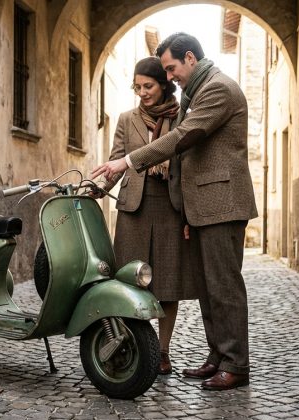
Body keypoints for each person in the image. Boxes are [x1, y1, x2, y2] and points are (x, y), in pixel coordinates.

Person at [90, 33, 258, 391]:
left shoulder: (218, 89)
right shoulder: (197, 92)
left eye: (171, 68)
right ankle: (217, 357)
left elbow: (184, 136)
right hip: (203, 206)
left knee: (224, 287)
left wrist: (129, 160)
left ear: (190, 59)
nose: (170, 77)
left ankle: (236, 365)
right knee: (210, 287)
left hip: (221, 203)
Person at [93, 57, 201, 376]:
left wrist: (187, 216)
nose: (142, 92)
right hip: (133, 209)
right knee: (129, 282)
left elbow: (188, 164)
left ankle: (163, 352)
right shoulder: (127, 119)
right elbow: (115, 163)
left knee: (167, 284)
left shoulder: (184, 117)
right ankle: (136, 344)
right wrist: (97, 188)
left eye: (148, 86)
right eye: (137, 87)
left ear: (164, 84)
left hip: (170, 207)